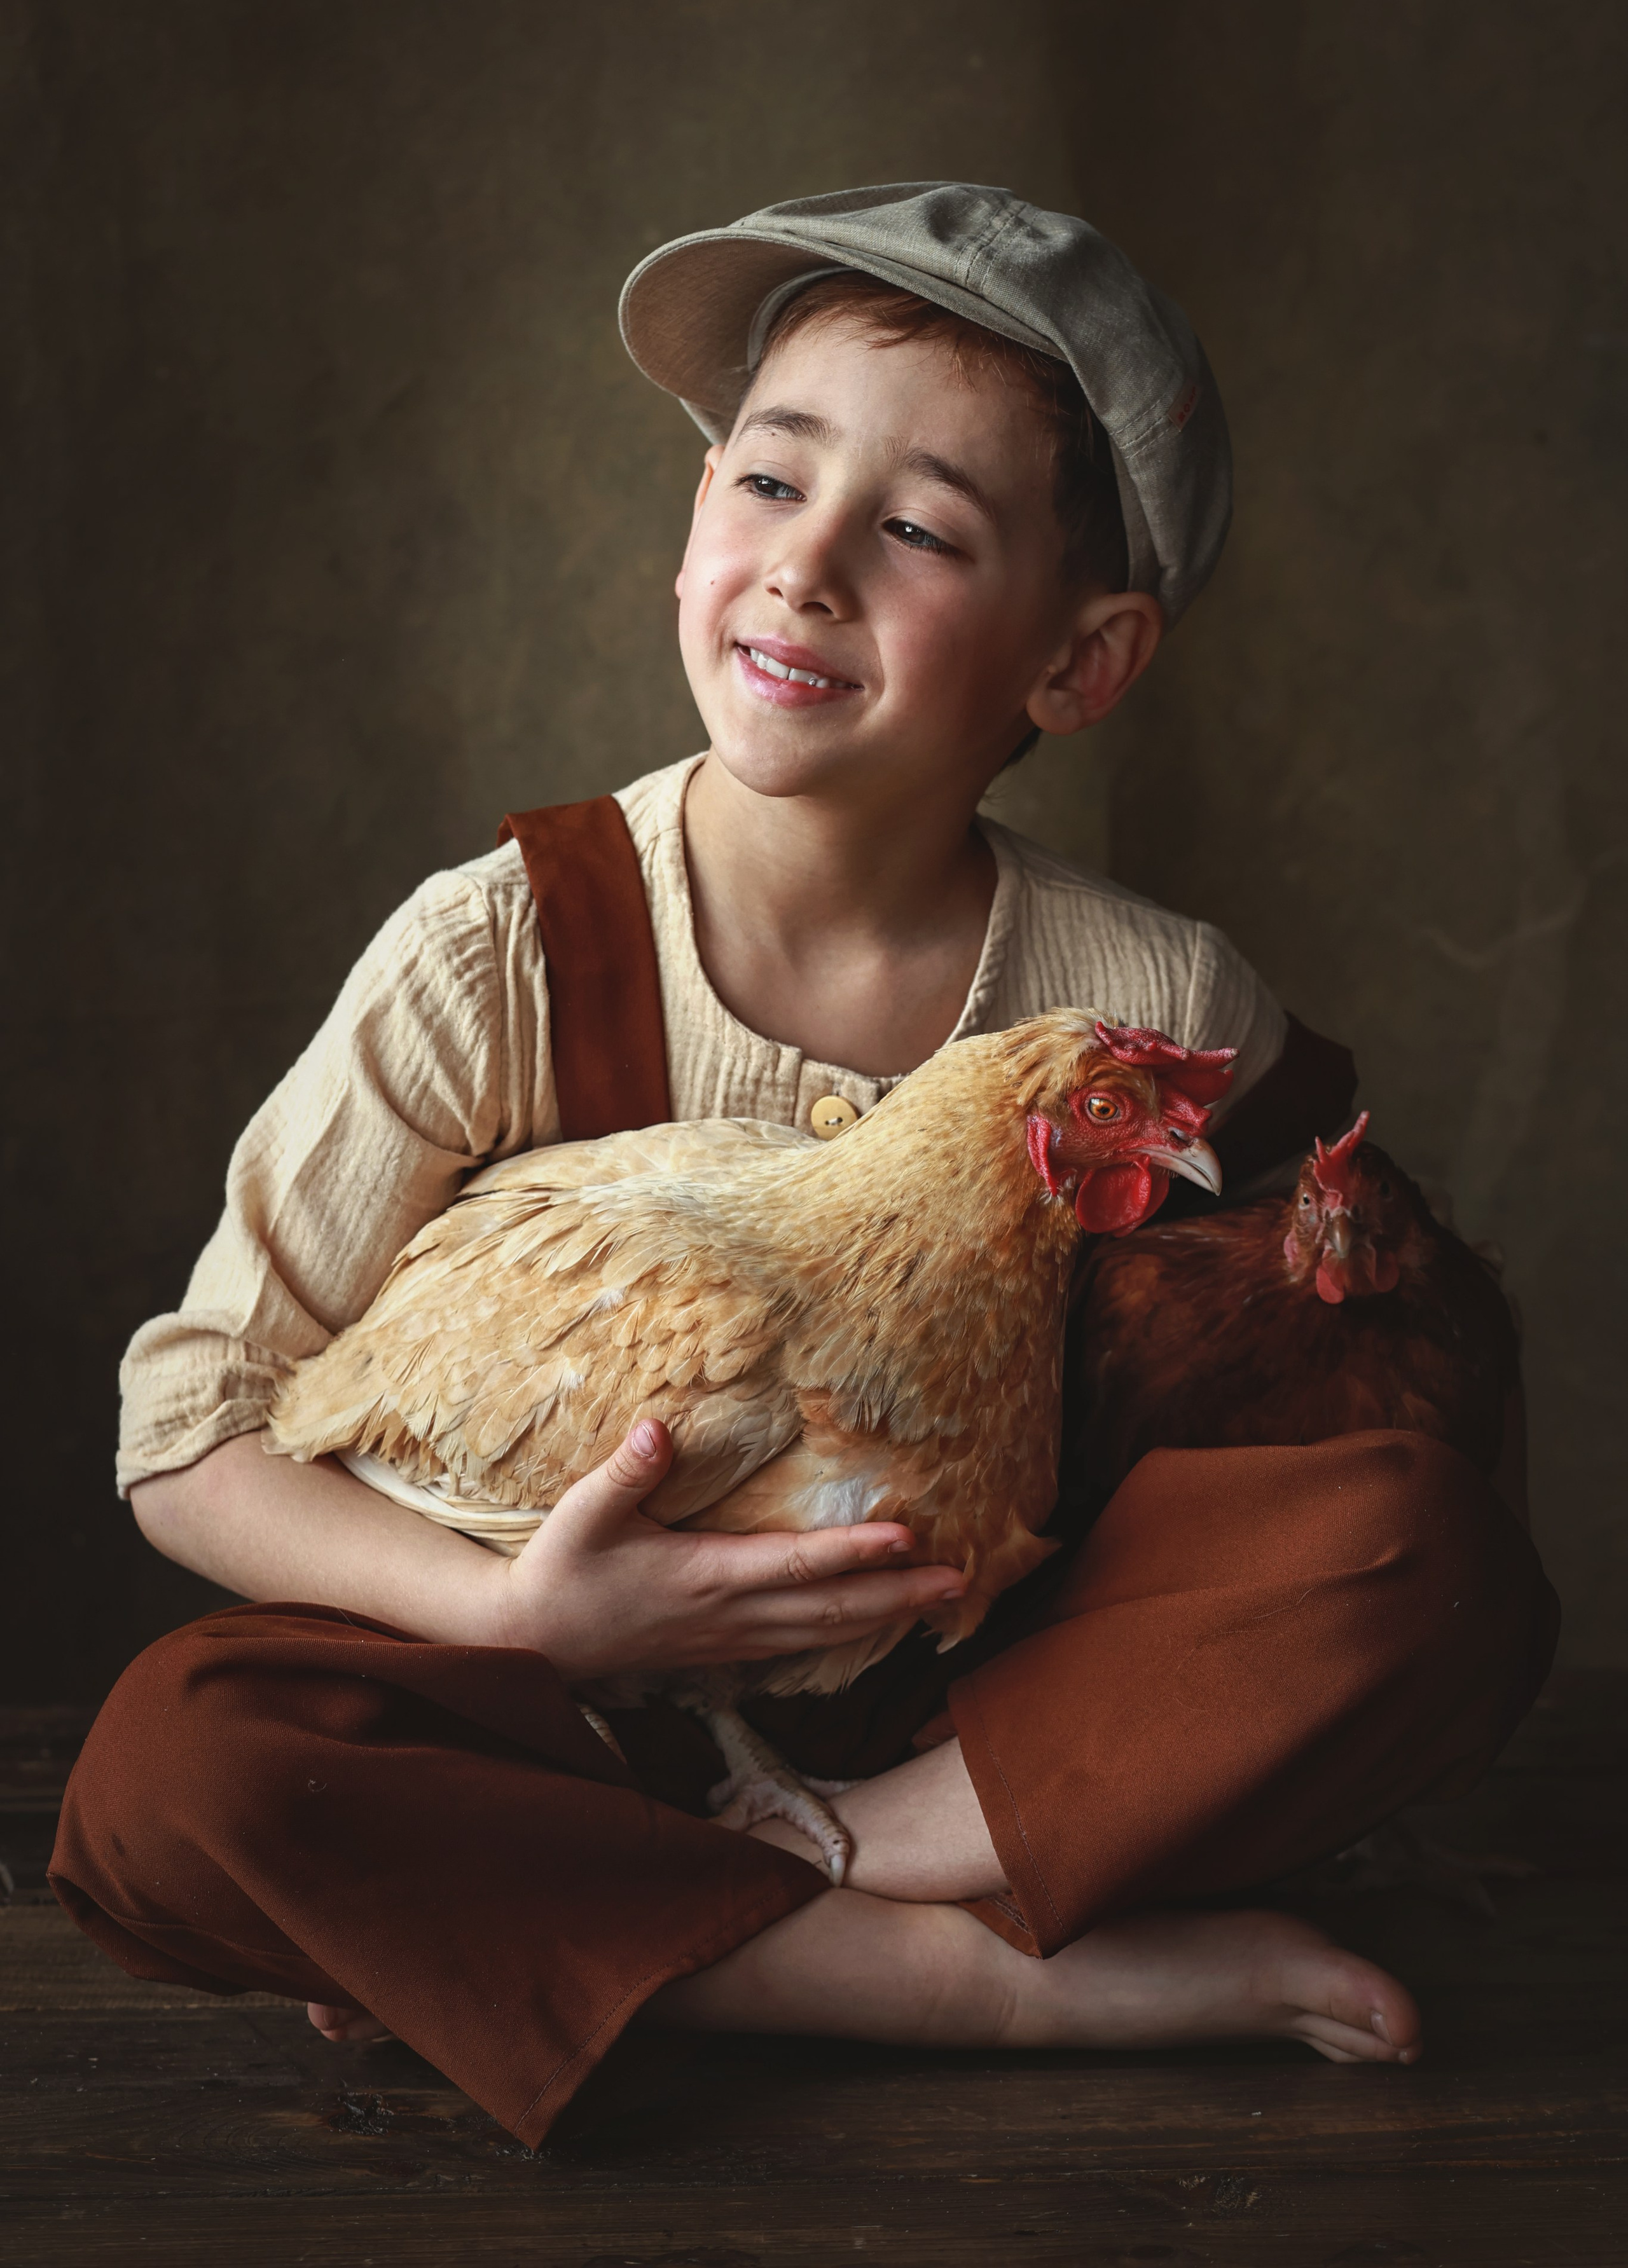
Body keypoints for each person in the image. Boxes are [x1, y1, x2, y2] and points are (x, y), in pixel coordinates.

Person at [51, 185, 1556, 2148]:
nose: (809, 564)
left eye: (919, 529)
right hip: (562, 1715)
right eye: (769, 479)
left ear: (1082, 661)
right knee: (178, 1773)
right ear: (695, 523)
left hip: (979, 1718)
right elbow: (188, 1429)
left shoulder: (1155, 1001)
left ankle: (739, 1898)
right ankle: (969, 1981)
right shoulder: (496, 952)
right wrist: (525, 1625)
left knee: (1429, 1558)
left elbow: (1349, 1388)